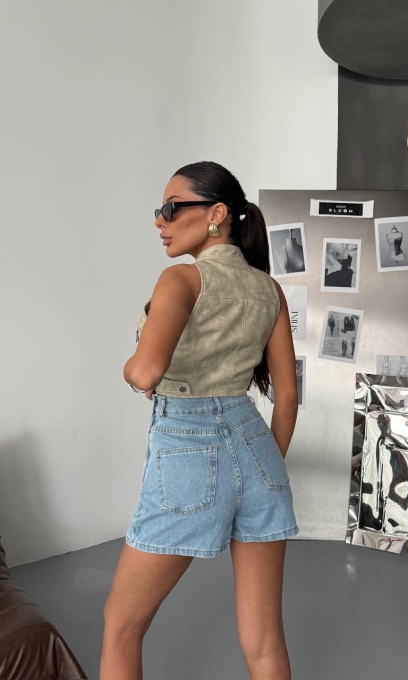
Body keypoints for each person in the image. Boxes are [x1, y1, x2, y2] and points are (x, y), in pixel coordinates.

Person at [99, 161, 299, 680]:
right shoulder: (269, 289)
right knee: (265, 642)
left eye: (171, 208)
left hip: (187, 448)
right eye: (159, 210)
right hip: (257, 448)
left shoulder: (181, 279)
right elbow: (287, 397)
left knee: (121, 625)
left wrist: (130, 367)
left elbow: (146, 371)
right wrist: (263, 470)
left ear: (216, 214)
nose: (160, 220)